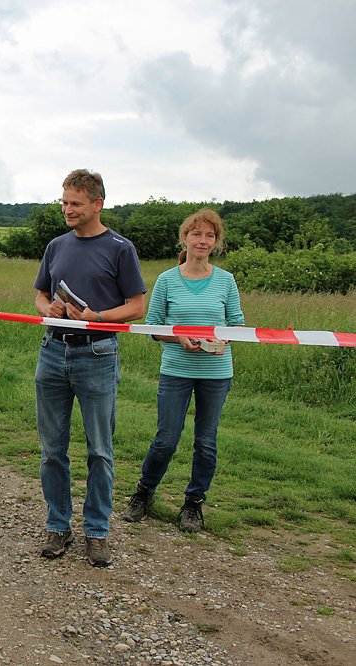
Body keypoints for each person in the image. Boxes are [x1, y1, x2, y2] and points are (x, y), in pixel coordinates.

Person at [33, 169, 146, 567]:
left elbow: (137, 307)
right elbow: (40, 296)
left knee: (99, 450)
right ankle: (58, 526)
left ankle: (97, 532)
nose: (68, 210)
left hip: (97, 354)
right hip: (52, 351)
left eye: (76, 204)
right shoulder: (55, 246)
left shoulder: (120, 248)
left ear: (98, 204)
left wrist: (97, 316)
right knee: (52, 450)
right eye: (64, 202)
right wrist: (49, 309)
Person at [121, 208, 244, 532]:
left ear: (215, 242)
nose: (203, 240)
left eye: (209, 235)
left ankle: (193, 503)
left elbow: (237, 323)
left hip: (216, 373)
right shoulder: (166, 280)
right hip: (176, 370)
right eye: (197, 234)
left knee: (206, 442)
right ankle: (143, 493)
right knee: (166, 439)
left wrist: (224, 339)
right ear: (185, 238)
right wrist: (178, 337)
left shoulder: (226, 280)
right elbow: (153, 326)